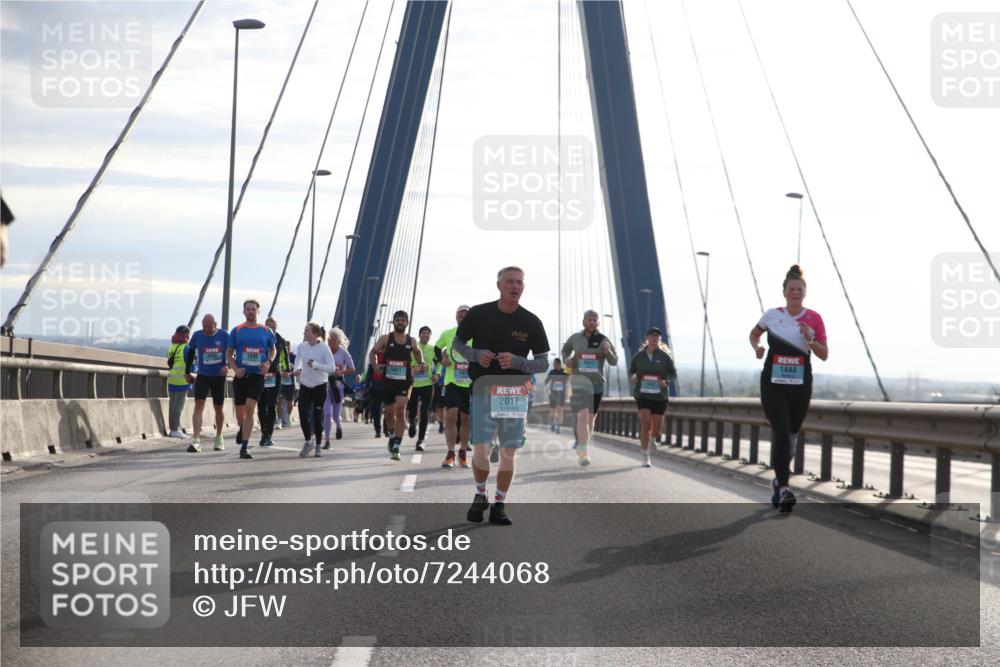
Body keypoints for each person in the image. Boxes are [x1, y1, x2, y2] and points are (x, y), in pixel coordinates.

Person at [453, 266, 550, 526]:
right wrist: (476, 355)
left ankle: (499, 503)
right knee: (482, 449)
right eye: (510, 282)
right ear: (499, 286)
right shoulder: (479, 313)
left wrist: (518, 361)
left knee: (508, 453)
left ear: (523, 287)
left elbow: (542, 363)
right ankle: (480, 493)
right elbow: (458, 345)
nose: (515, 286)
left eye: (519, 282)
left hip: (515, 392)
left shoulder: (531, 322)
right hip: (484, 388)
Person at [750, 264, 828, 513]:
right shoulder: (772, 315)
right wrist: (757, 348)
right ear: (784, 292)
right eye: (791, 289)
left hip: (800, 384)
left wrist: (811, 339)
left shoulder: (814, 318)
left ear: (805, 292)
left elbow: (824, 354)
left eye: (800, 289)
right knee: (782, 431)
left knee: (791, 439)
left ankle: (777, 479)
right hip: (773, 383)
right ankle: (784, 488)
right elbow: (754, 334)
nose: (796, 292)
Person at [561, 310, 618, 465]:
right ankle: (584, 451)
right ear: (583, 322)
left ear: (598, 323)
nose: (592, 322)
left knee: (591, 419)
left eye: (594, 320)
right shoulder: (575, 338)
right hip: (579, 383)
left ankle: (582, 444)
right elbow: (565, 351)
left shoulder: (603, 340)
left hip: (597, 385)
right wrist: (567, 360)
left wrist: (608, 351)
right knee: (583, 416)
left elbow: (614, 361)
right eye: (589, 319)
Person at [370, 310, 426, 461]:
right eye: (398, 320)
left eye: (403, 320)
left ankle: (397, 446)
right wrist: (375, 366)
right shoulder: (386, 339)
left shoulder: (411, 340)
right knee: (389, 413)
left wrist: (421, 363)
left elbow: (418, 352)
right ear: (394, 322)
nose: (400, 322)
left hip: (405, 380)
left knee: (400, 411)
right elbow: (373, 352)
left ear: (407, 323)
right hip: (388, 381)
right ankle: (392, 434)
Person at [226, 299, 277, 460]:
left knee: (250, 407)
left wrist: (268, 362)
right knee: (241, 413)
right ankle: (242, 428)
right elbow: (229, 354)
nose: (250, 311)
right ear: (244, 312)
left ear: (258, 312)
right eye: (247, 309)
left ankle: (245, 447)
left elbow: (273, 350)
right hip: (241, 375)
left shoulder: (266, 331)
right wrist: (235, 369)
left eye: (253, 309)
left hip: (257, 375)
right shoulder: (237, 330)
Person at [628, 327, 677, 468]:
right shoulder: (639, 356)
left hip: (659, 396)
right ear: (647, 338)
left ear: (659, 339)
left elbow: (673, 373)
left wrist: (666, 381)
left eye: (657, 336)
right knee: (645, 423)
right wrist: (633, 376)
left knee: (656, 430)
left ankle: (653, 439)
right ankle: (645, 455)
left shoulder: (664, 356)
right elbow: (632, 369)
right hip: (643, 394)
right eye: (651, 335)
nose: (654, 338)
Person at [436, 305, 473, 469]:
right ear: (455, 317)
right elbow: (437, 348)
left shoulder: (477, 335)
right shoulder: (448, 334)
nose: (463, 317)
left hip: (470, 383)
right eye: (460, 315)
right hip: (452, 381)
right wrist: (440, 360)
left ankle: (463, 452)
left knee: (467, 420)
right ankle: (450, 453)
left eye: (466, 315)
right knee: (450, 416)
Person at [184, 314, 228, 452]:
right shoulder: (197, 335)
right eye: (204, 327)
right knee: (199, 404)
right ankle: (196, 440)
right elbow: (191, 352)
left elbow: (232, 352)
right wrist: (187, 371)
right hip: (203, 374)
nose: (207, 329)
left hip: (218, 376)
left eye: (209, 327)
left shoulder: (224, 335)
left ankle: (219, 437)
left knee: (218, 407)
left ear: (215, 324)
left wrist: (227, 365)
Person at [294, 322, 335, 457]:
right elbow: (298, 360)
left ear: (315, 334)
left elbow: (332, 368)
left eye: (307, 331)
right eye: (304, 330)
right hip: (305, 385)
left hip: (320, 386)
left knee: (317, 418)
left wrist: (317, 365)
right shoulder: (301, 347)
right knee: (303, 415)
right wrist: (296, 370)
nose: (304, 333)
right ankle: (308, 441)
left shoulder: (324, 349)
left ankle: (318, 445)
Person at [406, 325, 440, 451]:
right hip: (414, 384)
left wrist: (437, 374)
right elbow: (408, 363)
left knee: (425, 411)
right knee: (413, 410)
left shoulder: (432, 349)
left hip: (427, 384)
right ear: (419, 335)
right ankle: (412, 423)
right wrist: (415, 368)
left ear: (430, 336)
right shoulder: (413, 348)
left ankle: (420, 441)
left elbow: (439, 362)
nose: (425, 335)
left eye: (428, 333)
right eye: (423, 333)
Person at [257, 316, 288, 447]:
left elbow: (285, 356)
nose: (271, 329)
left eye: (273, 327)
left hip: (274, 375)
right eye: (268, 327)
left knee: (272, 405)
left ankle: (268, 435)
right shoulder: (259, 337)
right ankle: (264, 432)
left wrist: (287, 368)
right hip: (260, 374)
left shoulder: (281, 340)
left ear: (277, 327)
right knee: (261, 405)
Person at [323, 327, 356, 449]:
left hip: (338, 387)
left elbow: (352, 369)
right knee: (327, 413)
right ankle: (327, 440)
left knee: (335, 415)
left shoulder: (344, 353)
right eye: (330, 341)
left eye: (334, 342)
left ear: (339, 341)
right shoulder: (324, 351)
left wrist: (341, 371)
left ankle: (338, 425)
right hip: (326, 386)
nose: (332, 344)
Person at [166, 325, 191, 439]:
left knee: (172, 406)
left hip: (172, 379)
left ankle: (173, 428)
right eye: (188, 334)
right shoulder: (186, 348)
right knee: (178, 407)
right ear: (185, 335)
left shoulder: (171, 347)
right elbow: (191, 366)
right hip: (182, 381)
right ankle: (175, 429)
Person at [544, 358, 568, 433]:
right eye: (553, 364)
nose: (554, 365)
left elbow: (569, 380)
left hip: (561, 394)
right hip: (553, 394)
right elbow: (546, 382)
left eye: (555, 364)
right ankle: (552, 423)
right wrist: (547, 390)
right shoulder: (552, 372)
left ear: (559, 364)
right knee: (553, 410)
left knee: (560, 410)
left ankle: (558, 426)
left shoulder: (565, 372)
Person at [278, 340, 295, 428]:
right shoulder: (280, 356)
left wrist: (290, 373)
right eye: (285, 348)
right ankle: (279, 420)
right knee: (279, 402)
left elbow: (298, 370)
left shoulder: (293, 357)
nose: (286, 349)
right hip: (281, 383)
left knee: (290, 403)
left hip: (290, 383)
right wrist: (281, 373)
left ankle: (287, 417)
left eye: (288, 347)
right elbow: (277, 368)